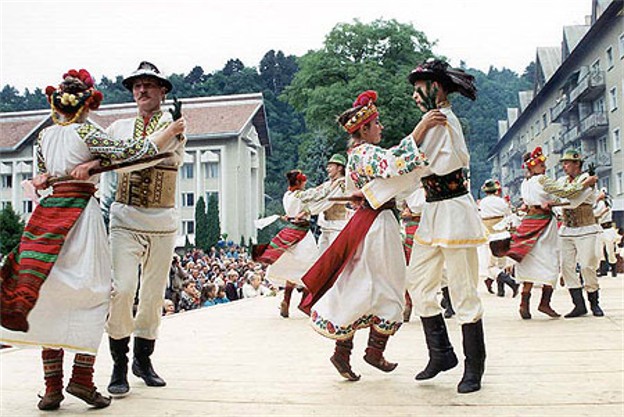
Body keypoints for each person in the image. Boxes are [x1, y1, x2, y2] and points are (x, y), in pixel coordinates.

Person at [0, 69, 183, 410]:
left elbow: (42, 175)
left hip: (48, 217)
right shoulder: (89, 130)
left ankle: (52, 386)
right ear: (86, 104)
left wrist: (48, 178)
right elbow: (132, 152)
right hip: (79, 215)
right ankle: (82, 379)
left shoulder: (45, 137)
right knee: (97, 291)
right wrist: (169, 133)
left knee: (49, 291)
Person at [299, 90, 444, 382]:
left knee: (360, 285)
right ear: (364, 129)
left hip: (367, 222)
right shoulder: (365, 153)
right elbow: (392, 162)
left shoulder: (358, 155)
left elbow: (389, 171)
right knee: (387, 286)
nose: (381, 128)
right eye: (376, 124)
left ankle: (347, 353)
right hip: (376, 224)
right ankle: (372, 351)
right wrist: (422, 128)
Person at [360, 60, 486, 393]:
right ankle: (442, 353)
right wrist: (375, 191)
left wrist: (373, 190)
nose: (416, 96)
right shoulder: (429, 121)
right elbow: (413, 169)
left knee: (462, 291)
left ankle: (474, 367)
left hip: (454, 213)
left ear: (437, 88)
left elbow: (408, 165)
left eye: (420, 89)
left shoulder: (440, 122)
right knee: (417, 284)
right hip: (433, 212)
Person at [103, 61, 187, 395]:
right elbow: (109, 156)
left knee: (152, 296)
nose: (142, 90)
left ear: (162, 90)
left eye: (149, 85)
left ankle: (144, 359)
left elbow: (144, 156)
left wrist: (117, 158)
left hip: (162, 221)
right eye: (137, 85)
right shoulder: (118, 127)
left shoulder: (176, 124)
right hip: (124, 218)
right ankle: (119, 363)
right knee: (122, 289)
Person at [497, 147, 594, 319]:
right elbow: (565, 193)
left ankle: (524, 303)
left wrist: (550, 201)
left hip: (528, 222)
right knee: (550, 261)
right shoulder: (542, 179)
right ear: (532, 167)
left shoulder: (525, 183)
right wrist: (586, 183)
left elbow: (535, 201)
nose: (544, 167)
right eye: (541, 165)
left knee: (527, 260)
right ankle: (544, 303)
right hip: (543, 223)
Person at [254, 169, 337, 318]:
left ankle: (286, 300)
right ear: (299, 182)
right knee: (311, 267)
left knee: (291, 269)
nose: (305, 183)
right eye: (303, 181)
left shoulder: (287, 195)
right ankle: (306, 303)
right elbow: (318, 194)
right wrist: (332, 184)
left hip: (290, 232)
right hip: (303, 234)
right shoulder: (301, 195)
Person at [545, 149, 602, 317]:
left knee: (587, 266)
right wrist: (557, 201)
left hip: (586, 229)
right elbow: (559, 195)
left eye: (567, 163)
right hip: (567, 229)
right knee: (566, 266)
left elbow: (573, 201)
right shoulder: (562, 180)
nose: (564, 166)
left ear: (577, 164)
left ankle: (594, 302)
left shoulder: (588, 179)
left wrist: (554, 203)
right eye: (563, 163)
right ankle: (578, 305)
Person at [477, 179, 518, 297]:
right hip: (503, 233)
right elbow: (509, 213)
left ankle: (511, 282)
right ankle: (501, 290)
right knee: (501, 264)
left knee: (491, 266)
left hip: (490, 235)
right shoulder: (502, 201)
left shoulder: (482, 203)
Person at [594, 189, 619, 277]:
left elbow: (596, 213)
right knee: (599, 251)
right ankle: (603, 270)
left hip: (608, 229)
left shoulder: (606, 202)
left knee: (610, 250)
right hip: (599, 228)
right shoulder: (597, 203)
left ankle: (613, 267)